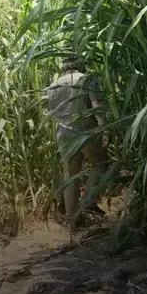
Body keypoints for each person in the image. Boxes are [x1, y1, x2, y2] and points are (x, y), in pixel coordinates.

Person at [44, 54, 109, 223]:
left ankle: (73, 219)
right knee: (100, 165)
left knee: (70, 175)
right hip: (85, 130)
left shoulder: (53, 86)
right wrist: (104, 130)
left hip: (63, 133)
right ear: (81, 65)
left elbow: (53, 113)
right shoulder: (87, 79)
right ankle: (88, 203)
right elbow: (97, 106)